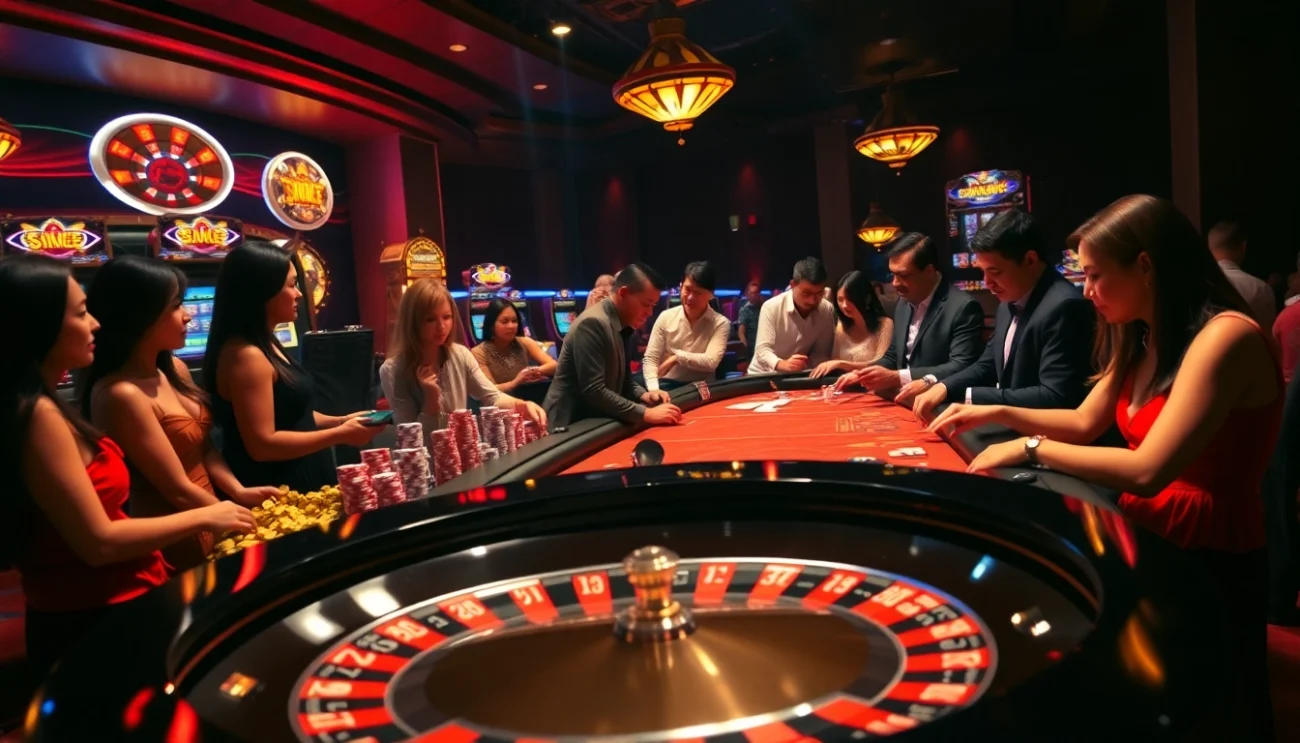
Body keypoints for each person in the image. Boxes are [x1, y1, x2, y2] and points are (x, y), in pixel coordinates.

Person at [928, 195, 1279, 740]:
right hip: (1145, 530)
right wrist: (995, 412)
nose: (1086, 290)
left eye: (1094, 275)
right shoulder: (1142, 332)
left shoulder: (1225, 336)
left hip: (1209, 546)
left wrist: (1029, 448)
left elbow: (1149, 468)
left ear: (1145, 265)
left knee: (1212, 712)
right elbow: (1085, 421)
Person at [0, 255, 255, 677]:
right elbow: (99, 542)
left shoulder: (42, 405)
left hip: (121, 600)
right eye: (81, 313)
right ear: (38, 325)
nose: (95, 324)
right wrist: (209, 515)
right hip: (95, 617)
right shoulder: (40, 415)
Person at [80, 256, 278, 573]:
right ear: (139, 315)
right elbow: (176, 488)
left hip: (212, 514)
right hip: (174, 531)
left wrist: (237, 491)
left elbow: (204, 448)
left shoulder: (174, 368)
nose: (188, 315)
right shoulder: (121, 394)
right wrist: (241, 519)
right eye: (175, 306)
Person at [205, 242, 379, 494]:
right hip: (277, 488)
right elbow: (263, 445)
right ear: (263, 290)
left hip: (303, 478)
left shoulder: (266, 342)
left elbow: (294, 415)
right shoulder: (246, 356)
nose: (299, 294)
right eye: (291, 285)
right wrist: (341, 434)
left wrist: (341, 421)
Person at [909, 211, 1095, 420]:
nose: (987, 282)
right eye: (983, 272)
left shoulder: (1065, 306)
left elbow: (1056, 396)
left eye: (995, 272)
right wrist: (944, 386)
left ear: (1030, 260)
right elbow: (987, 364)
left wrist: (971, 397)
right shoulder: (1010, 299)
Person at [381, 280, 546, 435]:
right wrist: (431, 399)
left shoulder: (460, 354)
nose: (441, 326)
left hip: (463, 450)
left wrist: (523, 405)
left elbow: (492, 396)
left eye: (447, 317)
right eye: (430, 319)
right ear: (412, 322)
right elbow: (410, 436)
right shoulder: (392, 370)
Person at [833, 234, 984, 396]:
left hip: (939, 401)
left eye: (903, 276)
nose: (895, 283)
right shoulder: (903, 303)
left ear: (929, 271)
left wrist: (898, 377)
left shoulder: (963, 307)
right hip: (901, 397)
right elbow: (893, 356)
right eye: (893, 274)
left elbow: (961, 365)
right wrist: (862, 374)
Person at [544, 263, 682, 429]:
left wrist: (645, 395)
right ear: (623, 293)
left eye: (653, 306)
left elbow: (623, 381)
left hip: (592, 420)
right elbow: (594, 391)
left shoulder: (622, 323)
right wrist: (646, 414)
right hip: (567, 425)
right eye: (646, 304)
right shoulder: (592, 323)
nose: (650, 313)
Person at [642, 261, 731, 392]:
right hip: (667, 384)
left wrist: (676, 358)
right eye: (687, 289)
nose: (690, 297)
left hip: (702, 388)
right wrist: (654, 389)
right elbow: (651, 359)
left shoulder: (720, 323)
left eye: (698, 293)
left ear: (711, 294)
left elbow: (711, 362)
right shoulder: (666, 317)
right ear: (681, 286)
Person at [746, 257, 835, 375]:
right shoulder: (771, 307)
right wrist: (782, 364)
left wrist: (803, 365)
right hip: (763, 374)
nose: (812, 300)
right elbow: (762, 350)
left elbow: (821, 353)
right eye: (806, 293)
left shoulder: (826, 310)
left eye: (819, 294)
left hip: (799, 375)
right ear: (793, 285)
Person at [810, 270, 893, 378]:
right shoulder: (841, 326)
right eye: (840, 299)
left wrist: (843, 364)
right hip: (843, 383)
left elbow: (883, 365)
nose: (844, 305)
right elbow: (835, 362)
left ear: (867, 299)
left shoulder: (885, 324)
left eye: (850, 299)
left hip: (872, 383)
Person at [471, 298, 557, 393]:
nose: (511, 326)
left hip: (527, 396)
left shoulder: (524, 342)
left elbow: (554, 365)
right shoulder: (479, 352)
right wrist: (515, 382)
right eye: (504, 322)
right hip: (500, 401)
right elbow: (488, 390)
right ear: (491, 325)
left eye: (514, 321)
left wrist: (533, 371)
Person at [1208, 220, 1275, 330]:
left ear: (1209, 248)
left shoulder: (1198, 285)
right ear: (1243, 247)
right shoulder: (1261, 289)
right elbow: (1268, 333)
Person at [736, 280, 763, 360]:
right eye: (752, 293)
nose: (754, 296)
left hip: (764, 345)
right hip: (751, 348)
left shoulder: (764, 307)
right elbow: (741, 332)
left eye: (756, 293)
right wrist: (745, 348)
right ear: (747, 294)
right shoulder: (744, 310)